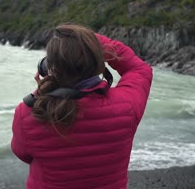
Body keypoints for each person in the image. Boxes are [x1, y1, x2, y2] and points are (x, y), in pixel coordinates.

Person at [11, 24, 153, 189]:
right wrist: (88, 41)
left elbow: (23, 153)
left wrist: (43, 91)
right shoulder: (126, 106)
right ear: (97, 59)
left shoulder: (28, 112)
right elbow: (139, 68)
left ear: (51, 68)